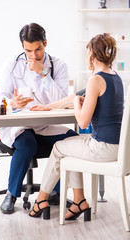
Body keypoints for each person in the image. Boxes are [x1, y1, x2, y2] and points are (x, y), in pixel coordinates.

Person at [29, 33, 124, 221]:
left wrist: (78, 105)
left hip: (102, 148)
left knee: (58, 147)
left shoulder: (95, 80)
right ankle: (79, 202)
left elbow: (82, 122)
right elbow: (73, 98)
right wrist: (49, 106)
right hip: (119, 148)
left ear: (92, 54)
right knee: (68, 144)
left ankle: (41, 200)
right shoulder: (115, 77)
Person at [0, 23, 78, 214]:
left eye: (38, 49)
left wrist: (43, 73)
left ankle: (55, 192)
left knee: (72, 141)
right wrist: (12, 103)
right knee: (27, 144)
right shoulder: (12, 64)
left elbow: (62, 101)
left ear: (45, 43)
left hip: (45, 125)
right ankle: (11, 193)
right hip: (18, 126)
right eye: (28, 50)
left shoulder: (58, 65)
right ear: (22, 47)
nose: (33, 56)